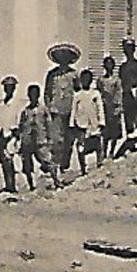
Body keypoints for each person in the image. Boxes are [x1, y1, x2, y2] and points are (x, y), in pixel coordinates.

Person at [44, 43, 81, 176]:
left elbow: (79, 92)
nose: (63, 59)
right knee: (56, 139)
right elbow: (47, 93)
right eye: (60, 57)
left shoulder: (74, 74)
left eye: (65, 56)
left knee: (69, 139)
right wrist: (49, 107)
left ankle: (66, 163)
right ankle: (56, 164)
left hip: (70, 110)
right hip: (56, 110)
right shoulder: (52, 75)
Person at [17, 84, 59, 190]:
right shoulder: (25, 111)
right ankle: (31, 185)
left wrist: (50, 139)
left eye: (35, 94)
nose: (33, 97)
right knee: (27, 165)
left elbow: (49, 125)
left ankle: (56, 181)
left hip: (41, 140)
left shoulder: (43, 110)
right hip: (28, 140)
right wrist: (21, 141)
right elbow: (21, 126)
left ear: (38, 95)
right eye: (31, 94)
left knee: (48, 162)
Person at [70, 68, 106, 174]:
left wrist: (101, 122)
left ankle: (99, 163)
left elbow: (100, 108)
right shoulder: (77, 95)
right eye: (84, 79)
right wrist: (72, 124)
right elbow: (73, 110)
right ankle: (83, 169)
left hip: (94, 123)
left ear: (91, 81)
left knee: (97, 144)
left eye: (88, 79)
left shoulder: (95, 93)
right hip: (81, 124)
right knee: (81, 147)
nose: (86, 81)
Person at [0, 75, 24, 193]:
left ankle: (12, 185)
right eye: (6, 87)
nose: (8, 89)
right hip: (1, 135)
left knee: (9, 159)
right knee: (2, 161)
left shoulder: (16, 104)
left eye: (10, 87)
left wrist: (14, 136)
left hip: (11, 135)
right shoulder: (1, 104)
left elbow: (18, 121)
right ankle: (7, 183)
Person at [98, 56, 124, 158]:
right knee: (105, 132)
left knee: (114, 132)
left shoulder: (116, 80)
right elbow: (99, 93)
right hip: (105, 108)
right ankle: (104, 151)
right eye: (106, 64)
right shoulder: (101, 80)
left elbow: (119, 93)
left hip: (114, 107)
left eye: (110, 64)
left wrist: (118, 107)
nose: (108, 66)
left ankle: (112, 152)